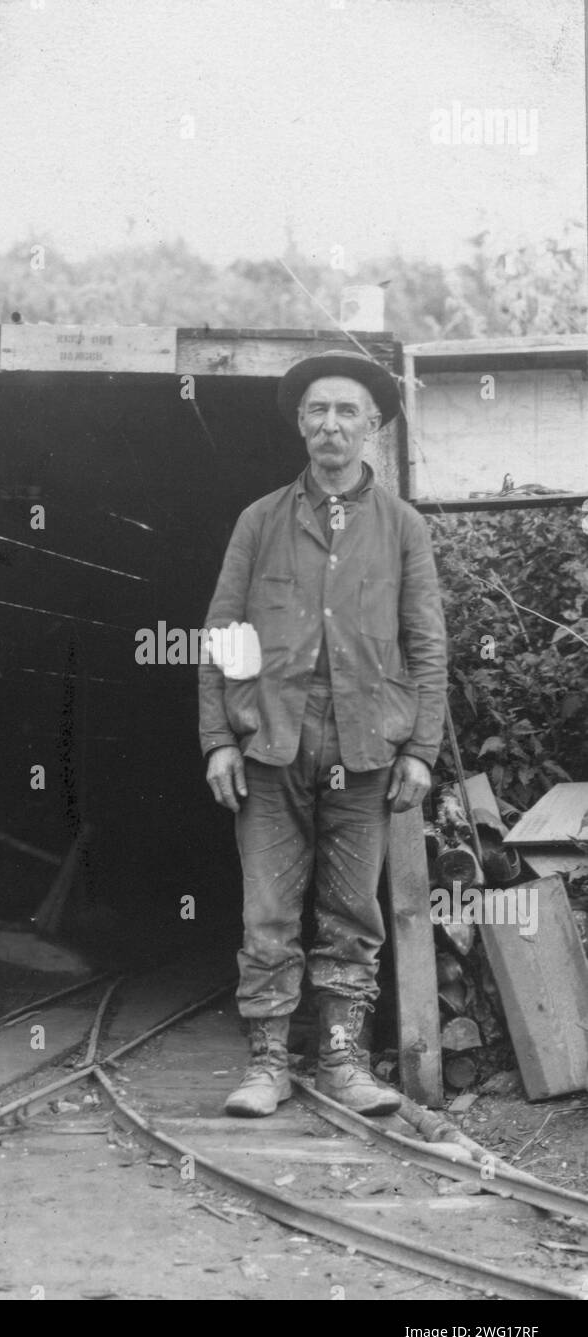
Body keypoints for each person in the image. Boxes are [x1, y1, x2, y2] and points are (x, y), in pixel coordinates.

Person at [199, 350, 447, 1117]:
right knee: (267, 911)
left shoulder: (403, 529)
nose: (331, 425)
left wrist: (422, 752)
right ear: (301, 426)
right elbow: (224, 633)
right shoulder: (260, 520)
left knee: (351, 912)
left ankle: (343, 1060)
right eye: (317, 411)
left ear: (373, 427)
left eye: (347, 412)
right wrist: (217, 739)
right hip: (271, 746)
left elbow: (428, 644)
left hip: (366, 749)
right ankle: (268, 1063)